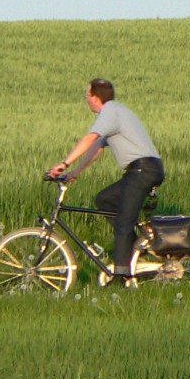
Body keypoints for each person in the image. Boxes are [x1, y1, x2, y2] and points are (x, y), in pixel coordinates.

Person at [49, 78, 164, 285]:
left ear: (95, 97)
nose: (86, 100)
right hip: (140, 170)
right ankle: (135, 247)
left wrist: (64, 164)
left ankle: (121, 277)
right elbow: (97, 149)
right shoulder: (115, 111)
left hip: (143, 169)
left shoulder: (110, 111)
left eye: (87, 95)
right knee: (105, 200)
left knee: (123, 222)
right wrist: (76, 171)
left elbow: (90, 139)